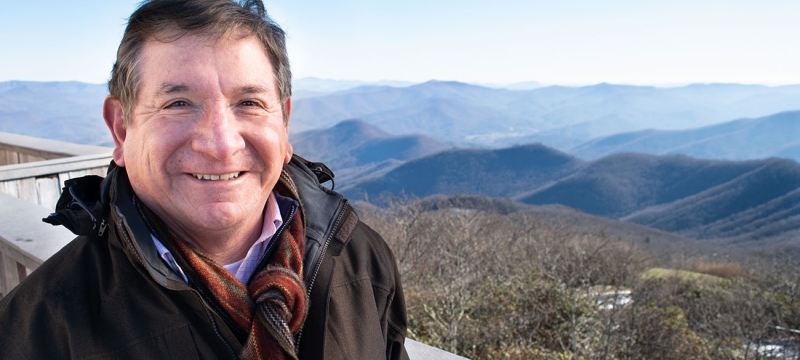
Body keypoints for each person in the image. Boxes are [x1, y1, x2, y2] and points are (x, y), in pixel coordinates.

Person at [0, 1, 409, 359]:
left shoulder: (358, 257)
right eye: (179, 103)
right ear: (122, 129)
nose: (220, 144)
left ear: (283, 123)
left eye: (249, 103)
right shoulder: (39, 327)